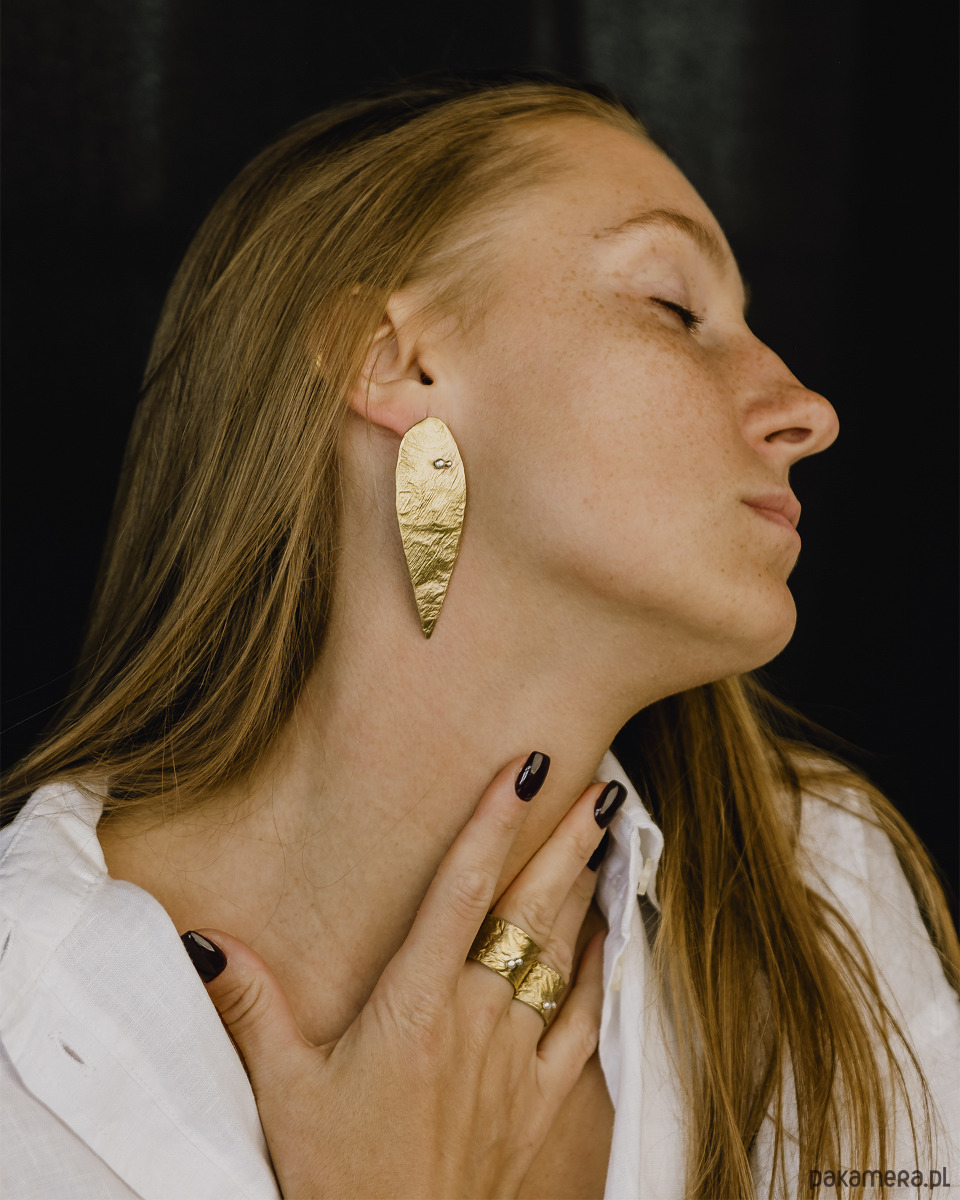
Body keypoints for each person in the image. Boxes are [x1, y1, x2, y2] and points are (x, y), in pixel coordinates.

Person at [1, 74, 957, 1200]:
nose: (810, 413)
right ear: (396, 363)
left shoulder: (821, 890)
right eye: (675, 308)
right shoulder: (28, 1028)